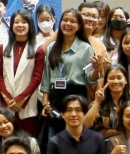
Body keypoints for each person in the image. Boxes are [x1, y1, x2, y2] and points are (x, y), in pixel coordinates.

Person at [40, 8, 96, 136]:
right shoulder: (51, 47)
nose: (68, 24)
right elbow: (46, 76)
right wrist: (45, 102)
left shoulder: (85, 48)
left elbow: (90, 79)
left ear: (79, 26)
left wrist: (97, 69)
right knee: (54, 137)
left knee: (75, 137)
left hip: (76, 96)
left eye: (73, 21)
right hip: (56, 97)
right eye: (65, 20)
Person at [0, 9, 43, 135]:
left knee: (26, 140)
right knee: (7, 138)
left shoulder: (38, 49)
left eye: (24, 22)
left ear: (30, 25)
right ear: (11, 25)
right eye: (16, 22)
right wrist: (7, 98)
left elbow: (37, 78)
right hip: (7, 103)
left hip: (27, 105)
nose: (20, 25)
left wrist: (21, 99)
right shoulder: (3, 47)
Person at [84, 65, 130, 140]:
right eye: (111, 78)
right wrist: (97, 102)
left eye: (119, 77)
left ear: (126, 80)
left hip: (127, 144)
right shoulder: (99, 104)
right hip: (100, 144)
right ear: (106, 81)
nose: (116, 81)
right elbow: (85, 125)